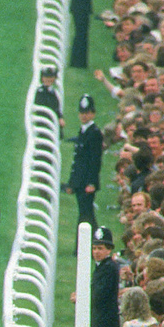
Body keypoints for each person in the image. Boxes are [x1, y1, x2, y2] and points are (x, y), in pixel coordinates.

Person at [65, 94, 103, 254]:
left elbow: (95, 161)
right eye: (82, 113)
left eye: (87, 113)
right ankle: (91, 245)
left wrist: (91, 183)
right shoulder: (84, 130)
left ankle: (87, 247)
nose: (84, 116)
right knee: (86, 214)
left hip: (87, 182)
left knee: (86, 216)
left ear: (93, 114)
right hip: (80, 182)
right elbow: (78, 162)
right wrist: (72, 183)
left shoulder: (94, 133)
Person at [33, 65, 65, 138]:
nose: (48, 79)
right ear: (42, 78)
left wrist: (60, 118)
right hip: (44, 123)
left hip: (52, 122)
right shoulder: (40, 92)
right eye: (46, 77)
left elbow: (56, 107)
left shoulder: (52, 91)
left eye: (51, 77)